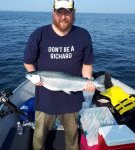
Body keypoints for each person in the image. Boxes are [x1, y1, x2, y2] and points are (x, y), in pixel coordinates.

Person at [23, 0, 95, 149]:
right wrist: (32, 75)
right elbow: (28, 62)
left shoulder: (83, 35)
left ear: (73, 13)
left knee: (72, 137)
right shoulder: (39, 34)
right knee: (39, 136)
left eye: (67, 13)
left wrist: (88, 82)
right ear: (53, 12)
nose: (63, 17)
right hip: (45, 100)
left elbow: (87, 64)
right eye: (59, 13)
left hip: (72, 99)